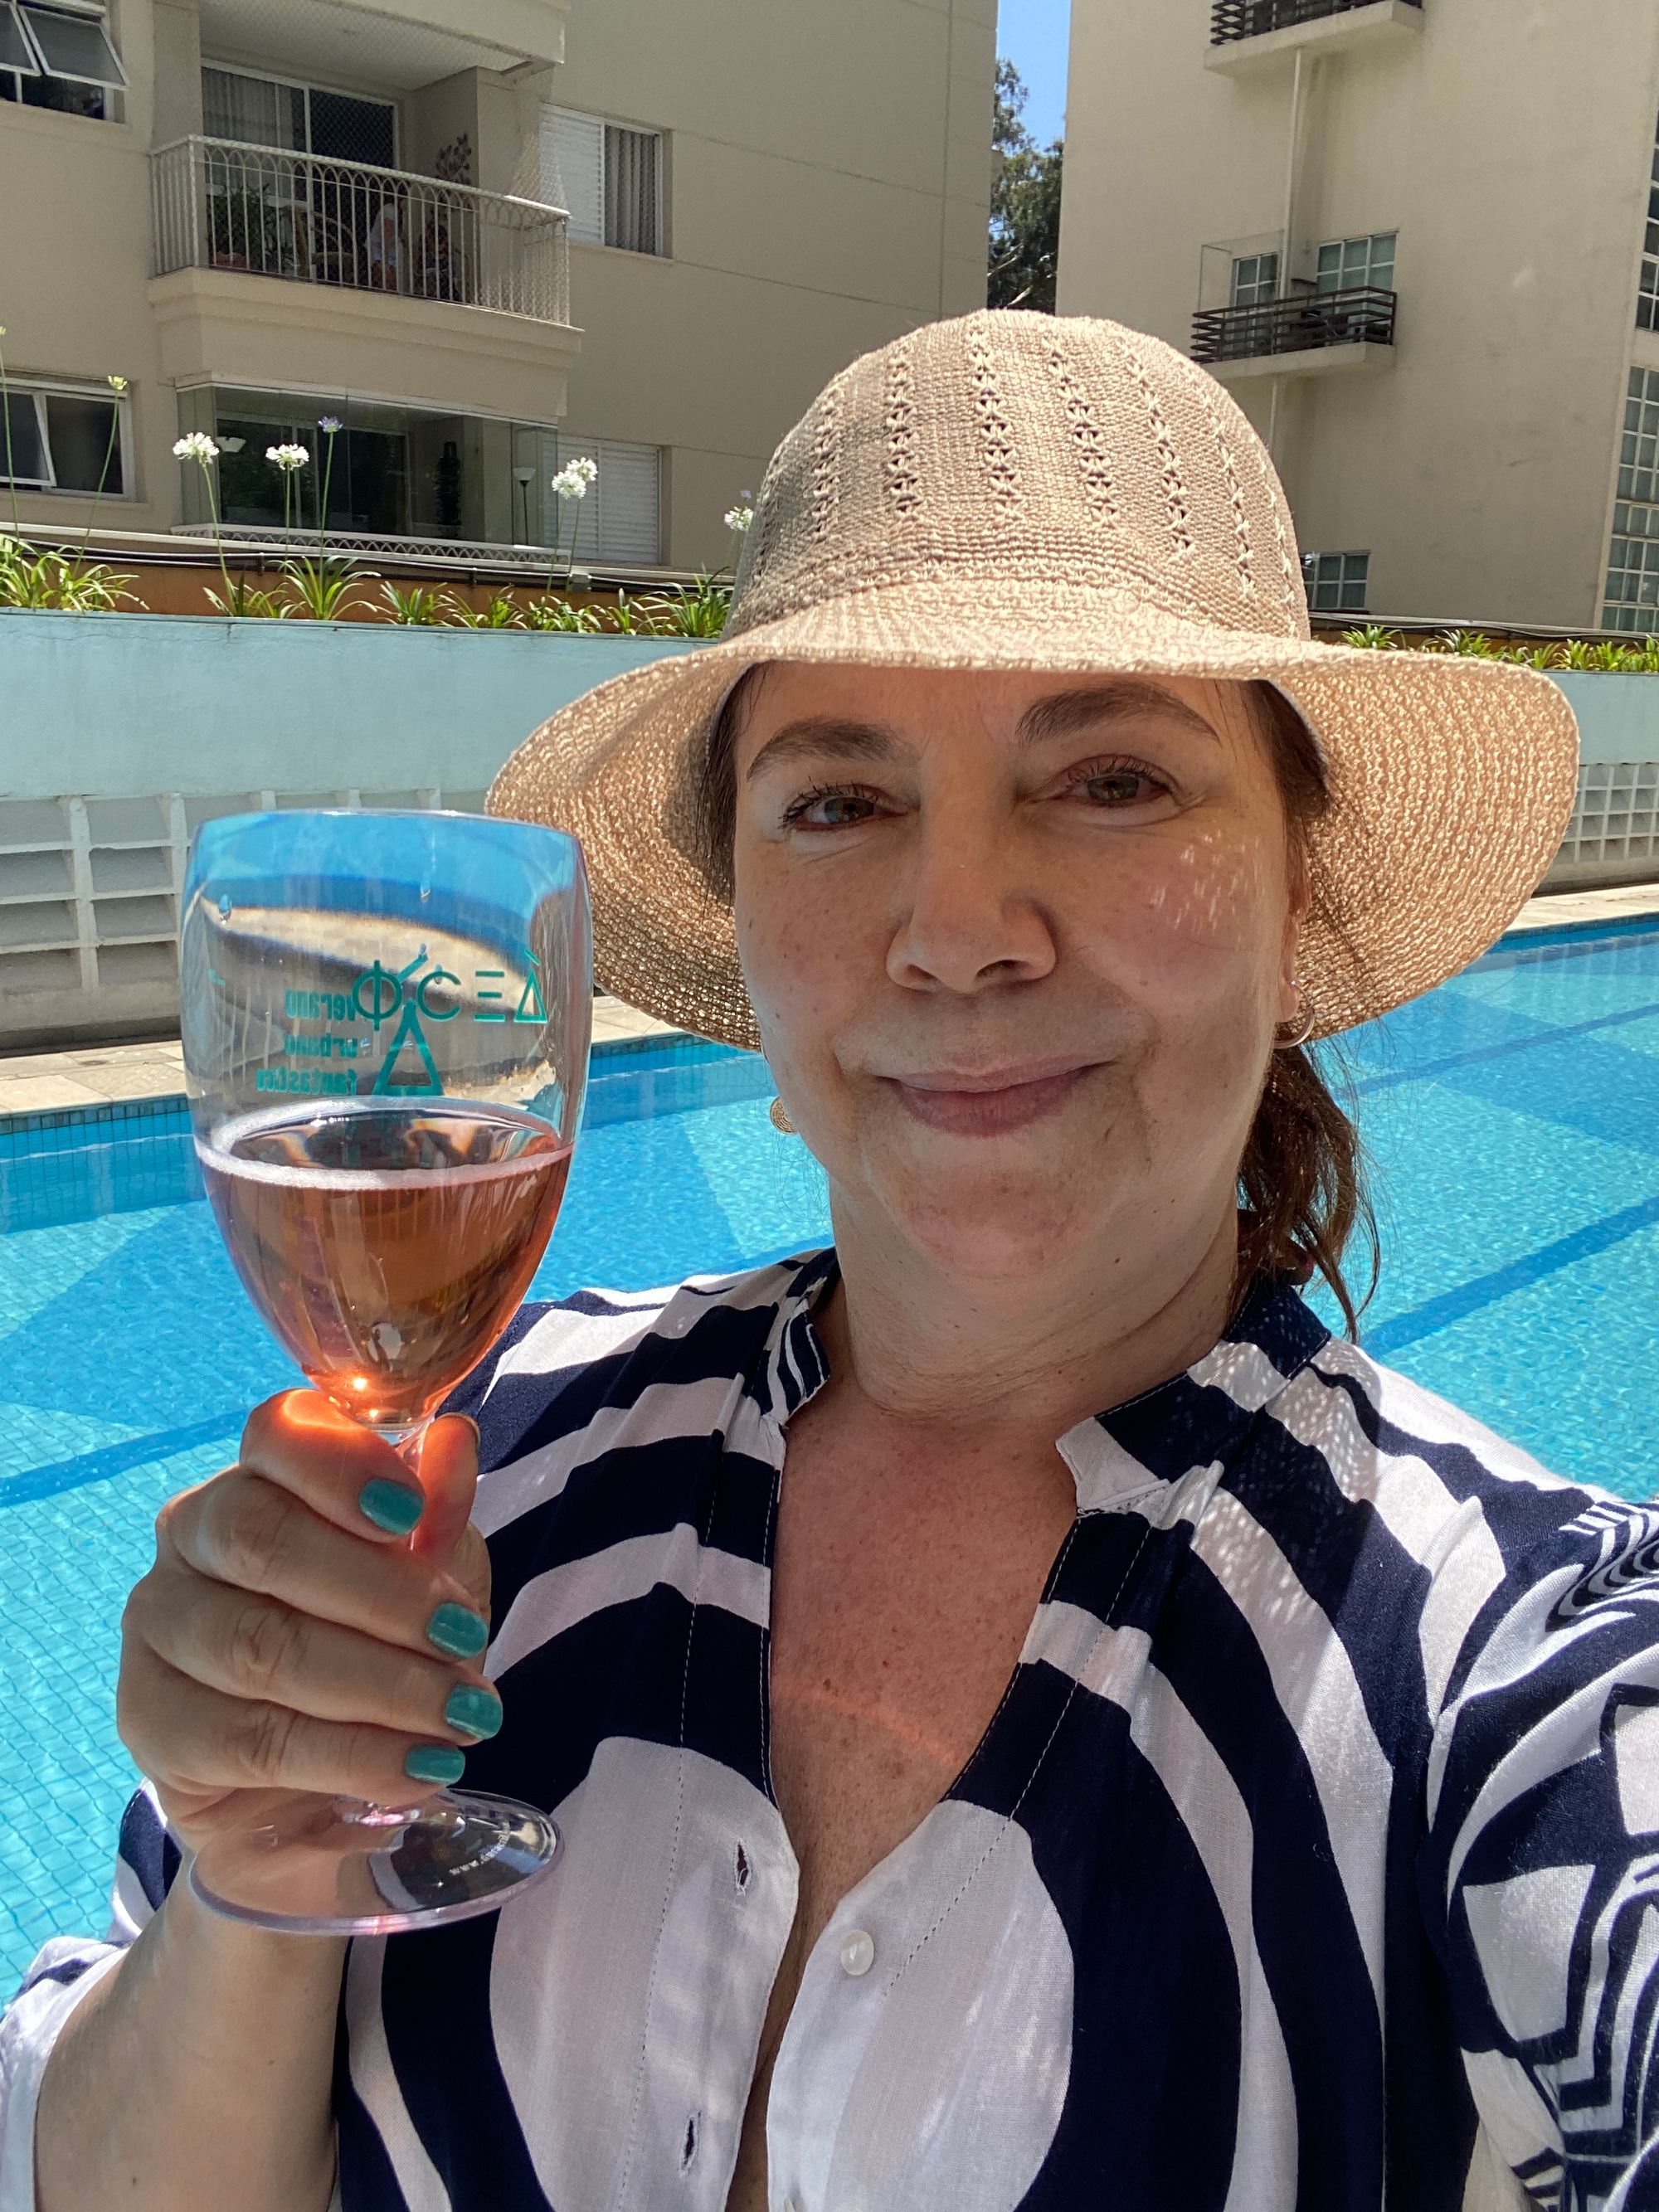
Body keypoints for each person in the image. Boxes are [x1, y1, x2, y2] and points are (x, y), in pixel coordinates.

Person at [1, 309, 1647, 2212]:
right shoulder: (505, 1474)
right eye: (840, 800)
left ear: (1299, 900)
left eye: (1111, 776)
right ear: (750, 937)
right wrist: (258, 1877)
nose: (957, 929)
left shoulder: (1516, 1672)